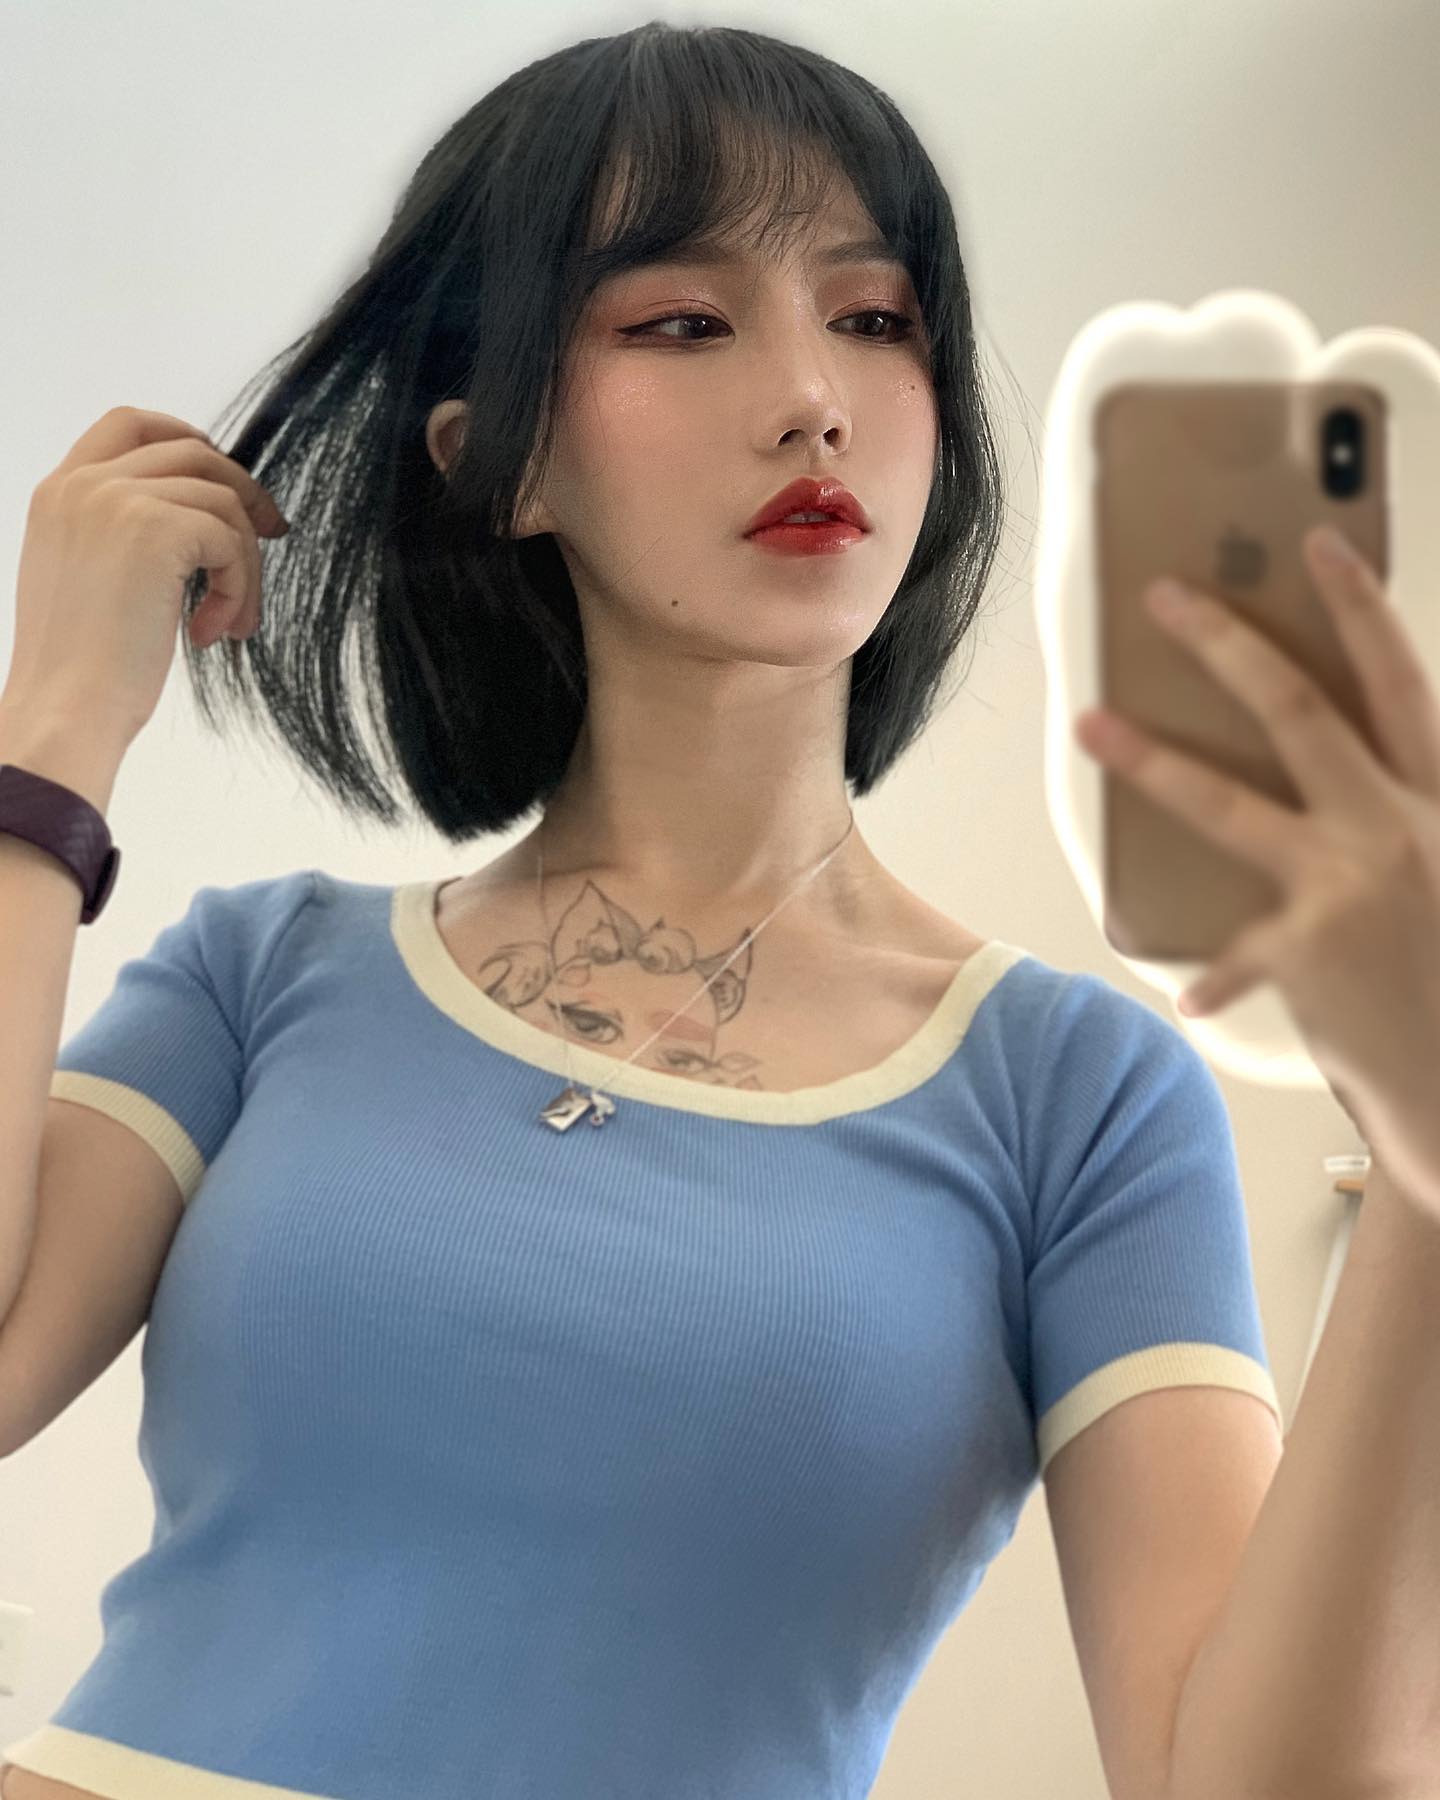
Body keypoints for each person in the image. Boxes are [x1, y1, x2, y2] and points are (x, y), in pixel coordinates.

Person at [1, 21, 1280, 1800]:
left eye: (875, 318)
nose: (812, 396)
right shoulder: (258, 981)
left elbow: (1246, 1775)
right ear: (499, 458)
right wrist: (52, 735)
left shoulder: (1081, 1102)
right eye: (683, 321)